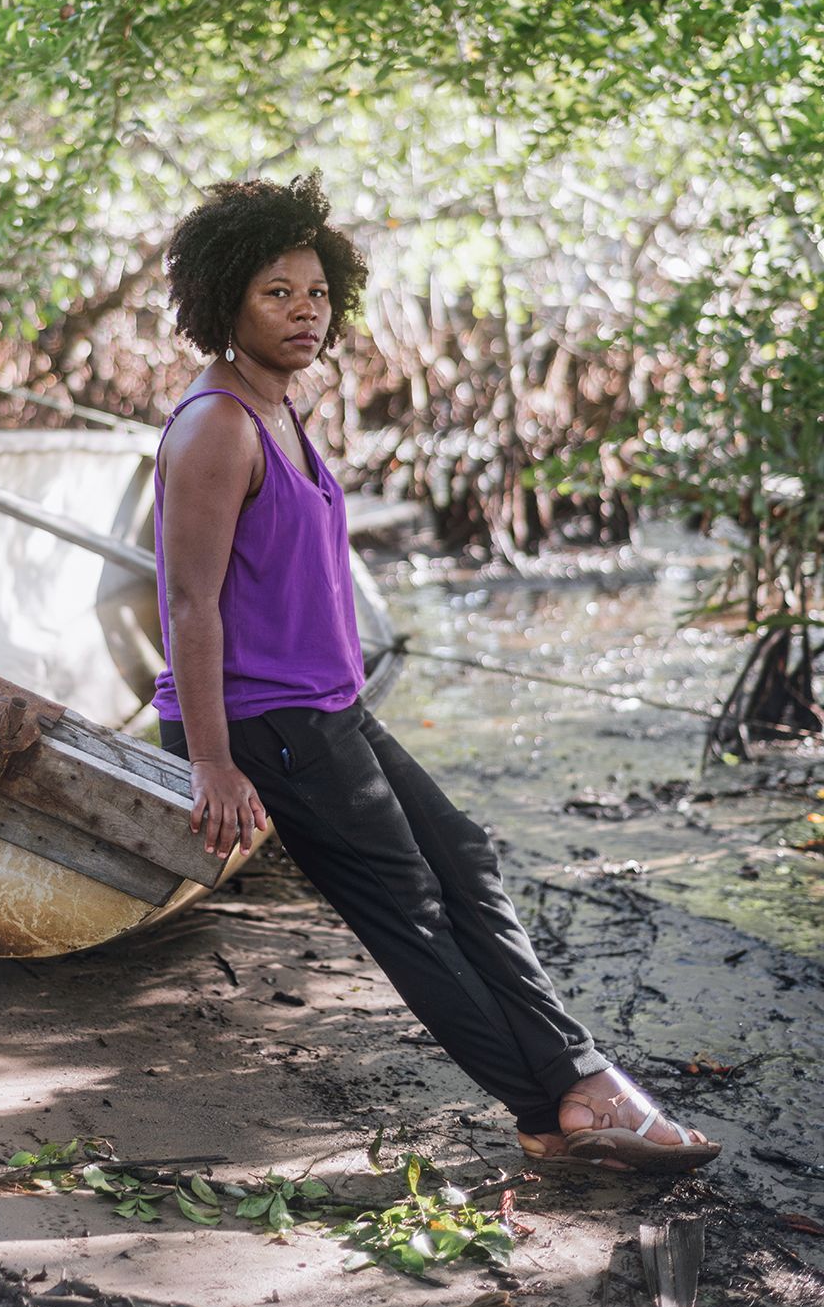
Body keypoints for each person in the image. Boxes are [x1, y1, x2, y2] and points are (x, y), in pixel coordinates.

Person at [151, 172, 721, 1175]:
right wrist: (211, 764)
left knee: (462, 853)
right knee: (407, 906)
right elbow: (188, 603)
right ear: (226, 296)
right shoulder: (218, 426)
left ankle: (576, 1082)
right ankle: (560, 1105)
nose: (304, 312)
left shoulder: (278, 407)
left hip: (325, 709)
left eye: (318, 292)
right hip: (263, 724)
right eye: (277, 292)